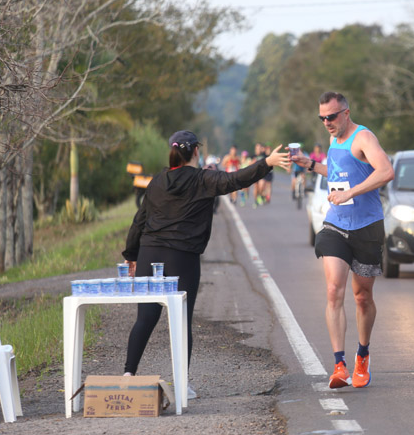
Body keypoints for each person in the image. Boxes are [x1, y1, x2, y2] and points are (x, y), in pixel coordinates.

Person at [121, 130, 290, 397]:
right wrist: (266, 163)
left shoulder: (156, 181)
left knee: (146, 318)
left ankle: (128, 375)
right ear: (196, 152)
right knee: (181, 320)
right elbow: (237, 179)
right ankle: (181, 386)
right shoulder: (204, 179)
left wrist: (131, 255)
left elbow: (139, 219)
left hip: (149, 253)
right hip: (182, 256)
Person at [292, 91, 394, 389]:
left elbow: (386, 171)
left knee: (362, 297)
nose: (327, 122)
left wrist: (350, 193)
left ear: (346, 113)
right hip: (336, 224)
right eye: (322, 118)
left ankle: (363, 354)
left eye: (332, 117)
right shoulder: (334, 140)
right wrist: (309, 164)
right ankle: (339, 365)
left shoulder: (363, 138)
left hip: (367, 226)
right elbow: (338, 172)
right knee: (334, 290)